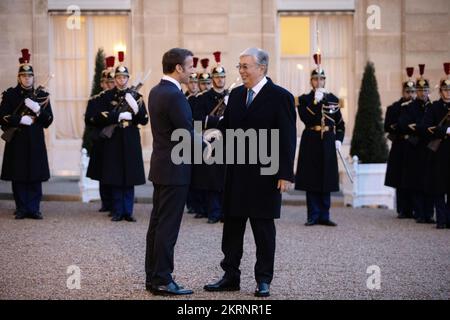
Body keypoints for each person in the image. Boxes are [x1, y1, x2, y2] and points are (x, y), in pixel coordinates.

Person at [203, 48, 296, 297]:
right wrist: (203, 126)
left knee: (263, 230)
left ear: (262, 68)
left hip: (266, 175)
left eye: (246, 66)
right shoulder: (235, 95)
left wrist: (285, 173)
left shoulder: (281, 97)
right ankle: (230, 276)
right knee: (232, 228)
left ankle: (263, 279)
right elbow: (227, 126)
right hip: (235, 173)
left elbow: (287, 138)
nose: (241, 71)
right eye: (240, 66)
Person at [145, 48, 196, 295]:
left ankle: (153, 277)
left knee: (157, 223)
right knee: (167, 226)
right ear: (178, 68)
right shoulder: (175, 96)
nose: (193, 70)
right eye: (190, 66)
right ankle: (163, 279)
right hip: (175, 169)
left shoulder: (156, 91)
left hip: (161, 166)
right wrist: (209, 143)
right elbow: (185, 132)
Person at [90, 51, 148, 222]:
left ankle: (128, 211)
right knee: (115, 176)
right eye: (118, 78)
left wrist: (135, 110)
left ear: (128, 79)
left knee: (128, 177)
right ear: (114, 79)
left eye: (124, 78)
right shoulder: (106, 96)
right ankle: (117, 211)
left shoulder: (136, 96)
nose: (121, 81)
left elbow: (144, 119)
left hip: (129, 137)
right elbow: (99, 116)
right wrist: (118, 116)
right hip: (113, 139)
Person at [0, 49, 53, 220]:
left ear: (33, 77)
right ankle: (22, 208)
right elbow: (3, 117)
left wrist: (38, 110)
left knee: (35, 176)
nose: (27, 78)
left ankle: (34, 208)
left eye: (29, 76)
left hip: (35, 140)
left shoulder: (42, 96)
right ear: (19, 77)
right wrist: (19, 120)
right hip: (17, 140)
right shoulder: (10, 95)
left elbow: (48, 120)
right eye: (24, 76)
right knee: (19, 175)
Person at [294, 52, 345, 226]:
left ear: (325, 80)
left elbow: (340, 123)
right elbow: (306, 119)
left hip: (328, 141)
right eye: (316, 79)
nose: (319, 82)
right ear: (311, 81)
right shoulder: (304, 100)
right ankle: (313, 215)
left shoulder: (332, 99)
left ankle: (325, 215)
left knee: (327, 178)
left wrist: (339, 139)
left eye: (321, 79)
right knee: (312, 178)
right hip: (311, 140)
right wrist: (315, 103)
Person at [191, 51, 228, 223]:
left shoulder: (232, 97)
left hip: (229, 141)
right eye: (217, 77)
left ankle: (225, 212)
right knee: (212, 178)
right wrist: (218, 120)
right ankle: (213, 212)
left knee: (226, 178)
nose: (220, 80)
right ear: (213, 78)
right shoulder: (203, 98)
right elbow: (197, 120)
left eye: (223, 77)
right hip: (211, 141)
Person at [398, 64, 434, 224]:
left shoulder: (433, 107)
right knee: (416, 182)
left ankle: (429, 213)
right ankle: (419, 213)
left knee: (430, 182)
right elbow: (404, 124)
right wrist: (423, 128)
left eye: (425, 90)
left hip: (430, 148)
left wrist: (418, 127)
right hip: (414, 148)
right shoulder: (409, 107)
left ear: (429, 91)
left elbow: (428, 127)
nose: (422, 93)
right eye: (420, 91)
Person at [385, 68, 417, 219]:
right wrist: (401, 126)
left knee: (413, 178)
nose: (410, 95)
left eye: (412, 92)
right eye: (407, 92)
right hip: (399, 145)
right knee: (400, 178)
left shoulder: (420, 107)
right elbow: (388, 126)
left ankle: (414, 208)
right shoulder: (394, 108)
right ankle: (403, 210)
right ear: (403, 92)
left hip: (414, 145)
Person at [86, 55, 115, 214]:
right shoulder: (96, 100)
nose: (110, 84)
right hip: (101, 139)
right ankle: (106, 202)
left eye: (113, 81)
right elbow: (89, 119)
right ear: (102, 83)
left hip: (115, 140)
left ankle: (114, 203)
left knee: (114, 172)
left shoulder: (120, 98)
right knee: (103, 173)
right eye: (108, 82)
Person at [422, 62, 450, 229]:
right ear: (440, 91)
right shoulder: (434, 108)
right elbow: (426, 127)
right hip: (439, 153)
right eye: (445, 89)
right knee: (439, 188)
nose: (448, 92)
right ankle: (441, 219)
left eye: (449, 89)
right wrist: (445, 131)